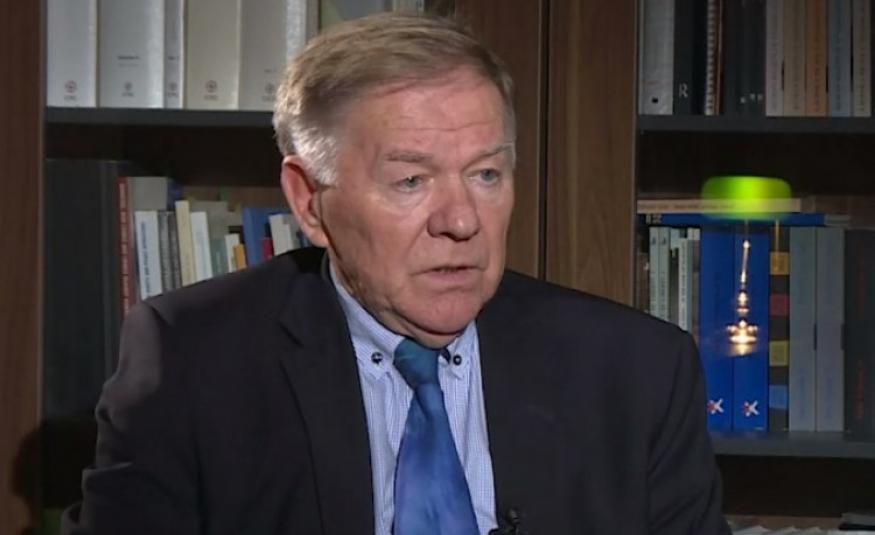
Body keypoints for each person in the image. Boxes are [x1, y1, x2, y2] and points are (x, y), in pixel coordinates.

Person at [62, 12, 731, 535]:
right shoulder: (192, 359)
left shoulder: (635, 370)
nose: (461, 221)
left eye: (486, 174)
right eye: (411, 180)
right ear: (309, 202)